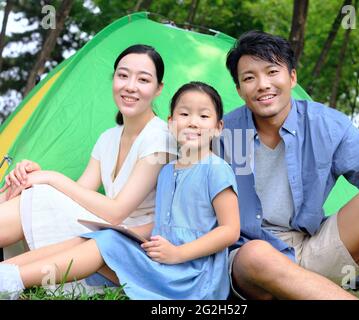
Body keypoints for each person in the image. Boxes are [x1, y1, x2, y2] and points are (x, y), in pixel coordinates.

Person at [0, 81, 240, 300]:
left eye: (204, 116)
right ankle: (8, 272)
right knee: (91, 238)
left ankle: (16, 279)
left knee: (108, 242)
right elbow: (163, 223)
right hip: (162, 260)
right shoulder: (167, 171)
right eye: (184, 114)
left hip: (192, 277)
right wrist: (126, 232)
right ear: (170, 123)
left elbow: (230, 230)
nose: (193, 122)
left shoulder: (216, 169)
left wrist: (178, 253)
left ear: (218, 127)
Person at [219, 30, 359, 300]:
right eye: (249, 78)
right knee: (256, 254)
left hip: (312, 246)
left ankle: (306, 288)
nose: (262, 84)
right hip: (250, 254)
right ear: (239, 90)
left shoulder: (324, 124)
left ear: (292, 77)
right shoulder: (224, 133)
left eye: (272, 72)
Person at [0, 44, 177, 288]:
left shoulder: (160, 138)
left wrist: (51, 178)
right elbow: (78, 194)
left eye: (143, 79)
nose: (130, 86)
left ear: (158, 89)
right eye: (123, 75)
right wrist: (37, 174)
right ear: (113, 79)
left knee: (42, 190)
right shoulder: (108, 137)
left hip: (127, 246)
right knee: (30, 187)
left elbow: (117, 212)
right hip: (100, 231)